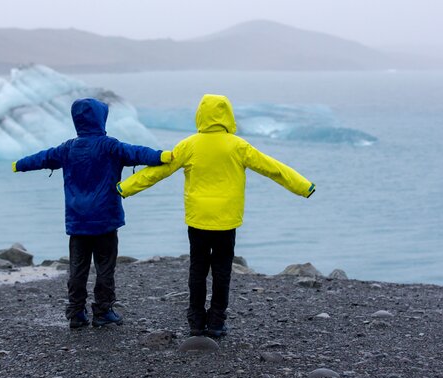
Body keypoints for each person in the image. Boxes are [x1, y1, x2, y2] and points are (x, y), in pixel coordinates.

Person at [117, 94, 315, 337]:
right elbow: (273, 168)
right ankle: (217, 322)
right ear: (227, 115)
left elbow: (158, 172)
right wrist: (303, 186)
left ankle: (196, 322)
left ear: (200, 115)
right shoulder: (238, 146)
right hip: (226, 220)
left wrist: (124, 188)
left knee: (197, 271)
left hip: (198, 219)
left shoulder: (189, 145)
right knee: (222, 271)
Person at [13, 97, 171, 329]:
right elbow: (138, 153)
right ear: (100, 119)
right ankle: (103, 311)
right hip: (105, 220)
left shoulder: (68, 148)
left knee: (78, 268)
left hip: (77, 220)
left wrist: (19, 164)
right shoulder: (110, 146)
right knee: (105, 267)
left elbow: (43, 158)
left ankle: (76, 313)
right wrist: (162, 156)